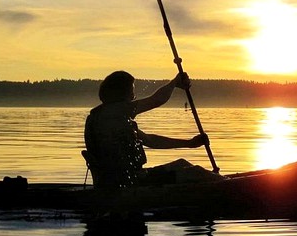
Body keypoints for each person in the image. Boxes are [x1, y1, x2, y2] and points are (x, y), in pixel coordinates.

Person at [83, 70, 216, 190]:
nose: (133, 97)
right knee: (195, 172)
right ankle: (225, 185)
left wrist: (189, 143)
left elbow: (151, 140)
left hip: (129, 179)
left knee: (182, 163)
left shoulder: (110, 118)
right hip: (127, 184)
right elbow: (157, 100)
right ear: (120, 94)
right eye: (131, 92)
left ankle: (221, 181)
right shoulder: (113, 112)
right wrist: (175, 82)